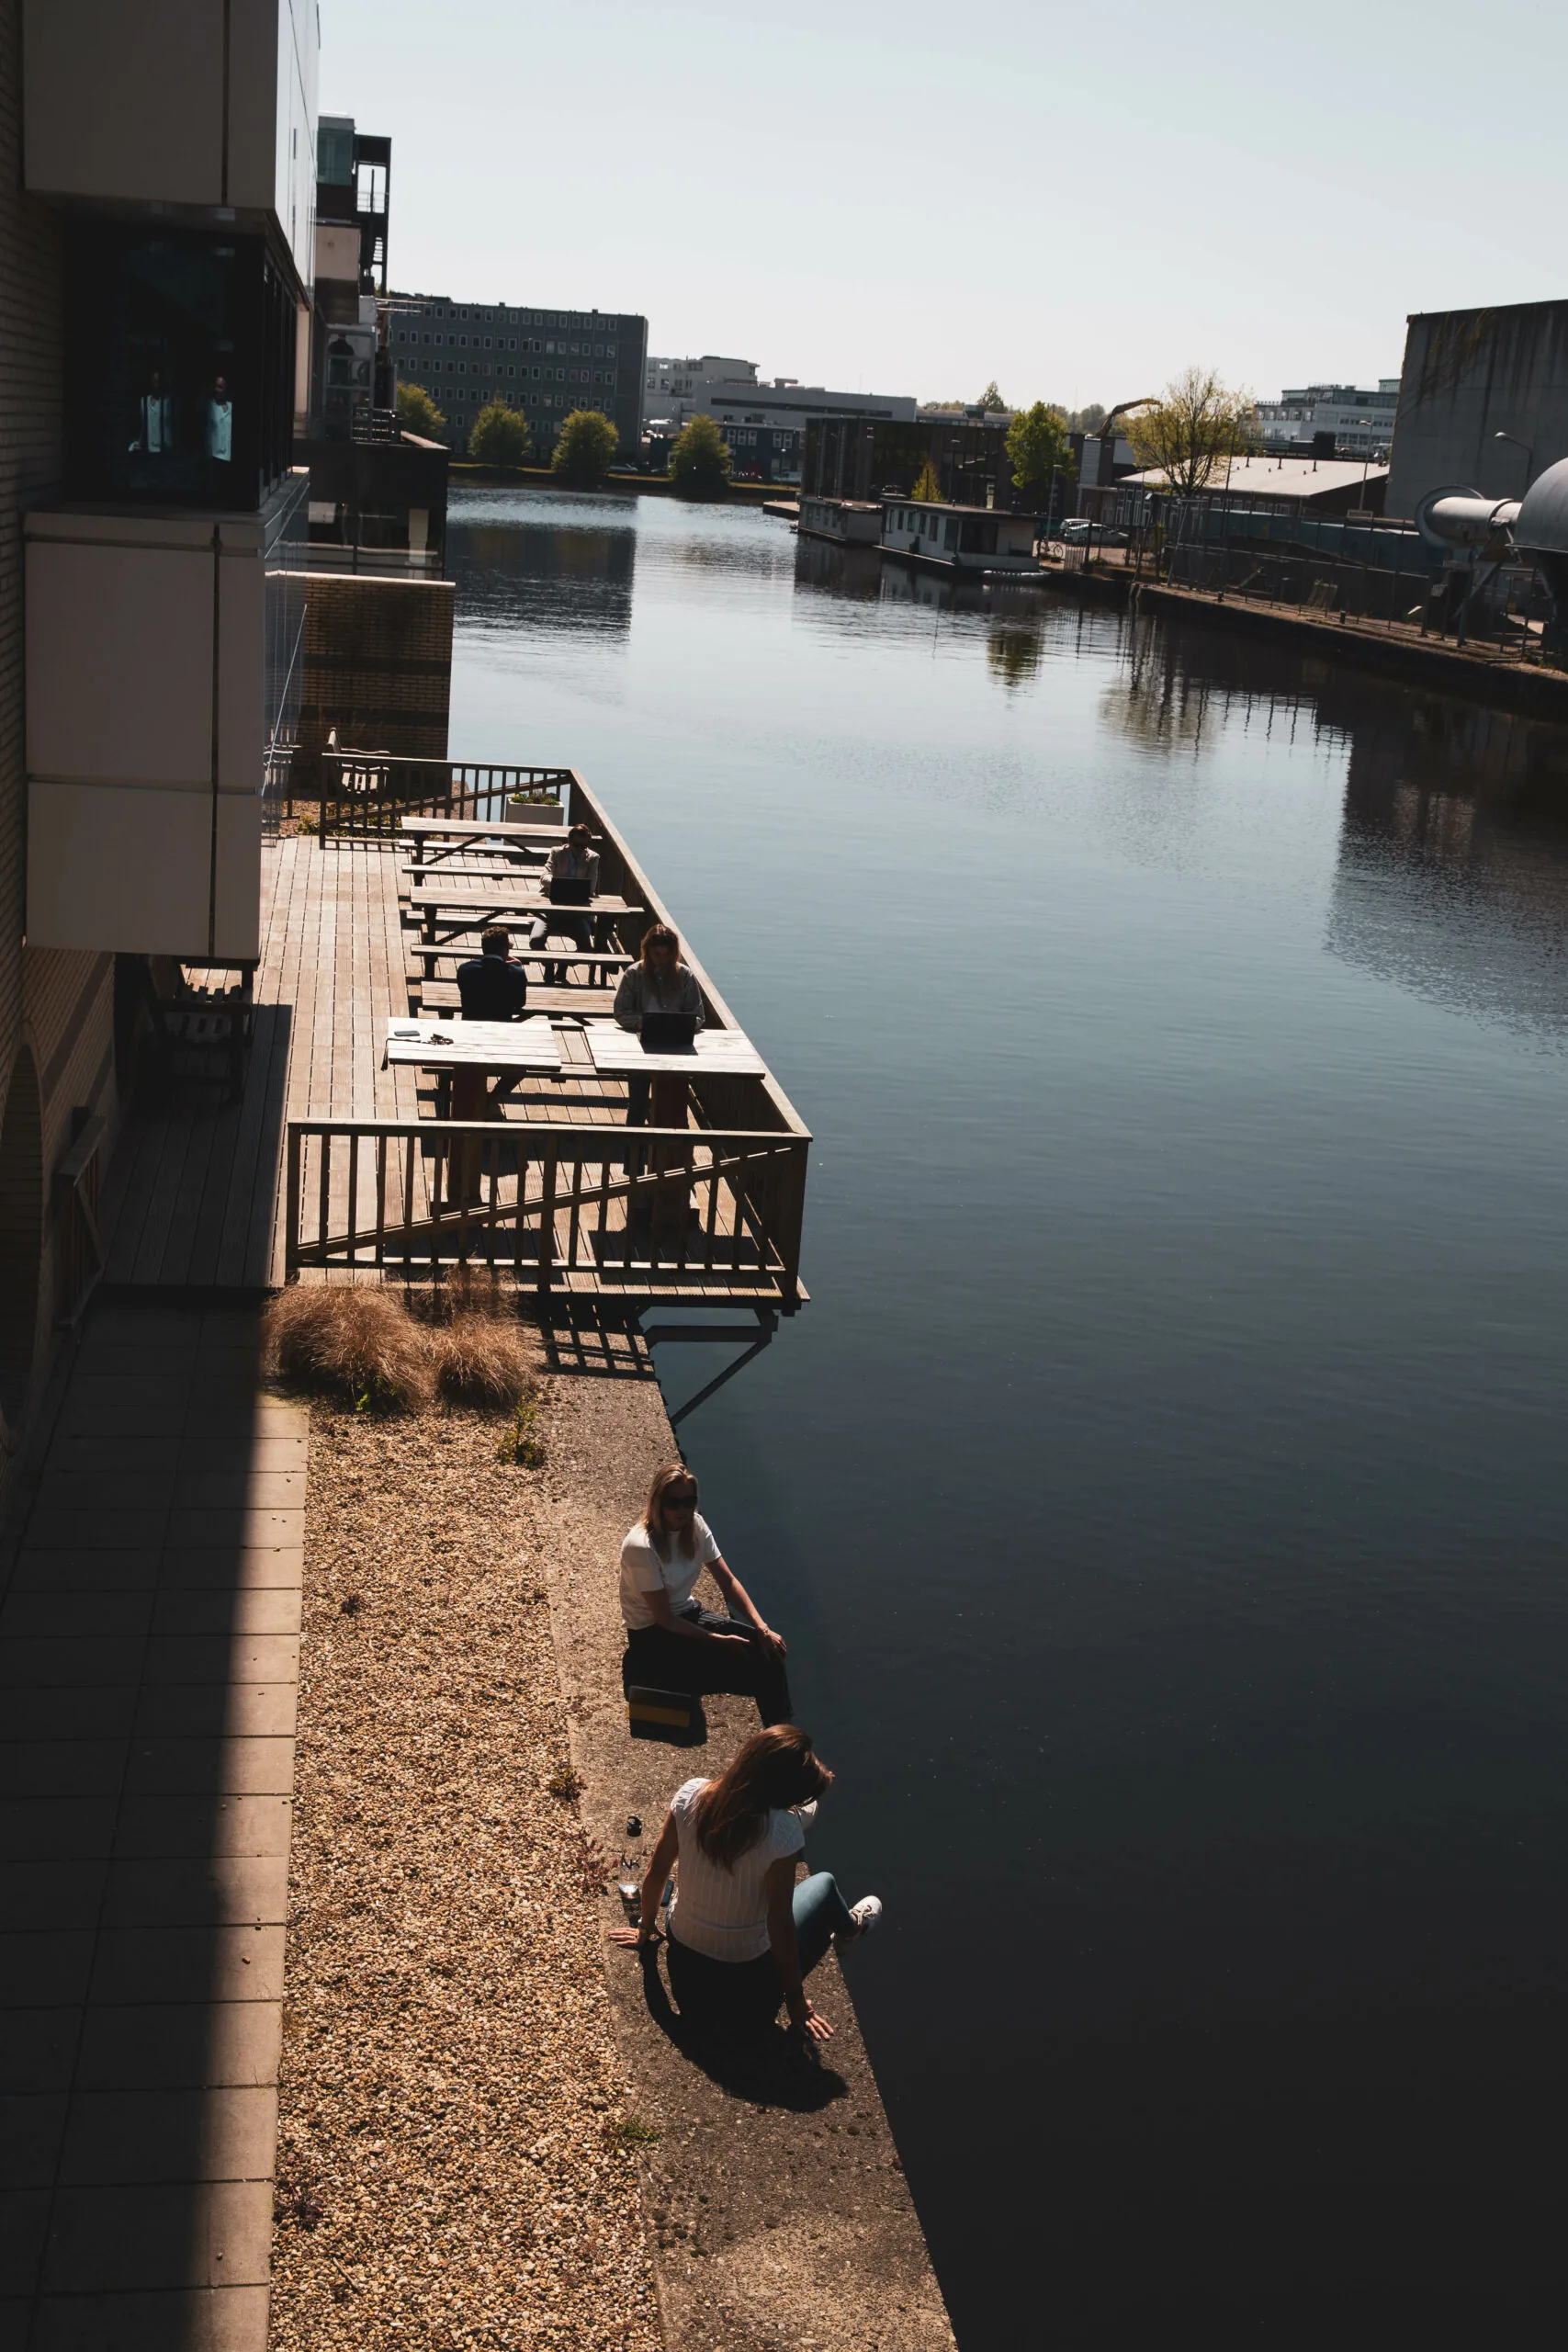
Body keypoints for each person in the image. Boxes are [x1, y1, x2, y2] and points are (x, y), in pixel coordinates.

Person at [610, 1725, 882, 2040]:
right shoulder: (784, 1833)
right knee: (824, 1883)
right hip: (745, 1971)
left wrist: (645, 1929)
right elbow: (779, 1922)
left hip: (684, 1951)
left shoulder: (689, 1796)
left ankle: (847, 1925)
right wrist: (796, 2001)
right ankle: (850, 1930)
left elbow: (657, 1871)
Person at [621, 1463, 793, 1728]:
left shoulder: (695, 1526)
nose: (682, 1510)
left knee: (768, 1652)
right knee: (754, 1667)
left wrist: (761, 1627)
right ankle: (780, 1747)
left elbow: (727, 1580)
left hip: (688, 1615)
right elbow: (665, 1618)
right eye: (673, 1502)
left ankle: (783, 1740)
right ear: (658, 1502)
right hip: (652, 1633)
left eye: (689, 1501)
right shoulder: (641, 1546)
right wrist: (719, 1641)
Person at [613, 925, 705, 1125]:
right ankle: (633, 1155)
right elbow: (620, 1011)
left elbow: (698, 1015)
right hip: (641, 1047)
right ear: (647, 950)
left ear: (673, 953)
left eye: (666, 954)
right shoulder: (634, 974)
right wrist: (643, 1024)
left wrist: (679, 1026)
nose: (661, 959)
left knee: (676, 1109)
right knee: (637, 1106)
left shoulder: (685, 976)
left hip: (676, 1050)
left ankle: (675, 1155)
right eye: (657, 954)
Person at [533, 820, 601, 982]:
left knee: (586, 948)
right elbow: (544, 875)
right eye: (576, 845)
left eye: (583, 846)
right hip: (551, 909)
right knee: (535, 941)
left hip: (577, 912)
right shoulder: (557, 852)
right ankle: (548, 965)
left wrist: (570, 887)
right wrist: (556, 884)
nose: (579, 850)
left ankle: (564, 964)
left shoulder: (593, 858)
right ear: (569, 841)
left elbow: (591, 886)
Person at [457, 925, 527, 1021]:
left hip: (471, 1025)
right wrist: (518, 967)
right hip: (501, 1027)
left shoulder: (465, 969)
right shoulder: (516, 973)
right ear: (505, 949)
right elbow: (520, 1003)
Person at [205, 376, 233, 462]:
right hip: (214, 456)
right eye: (216, 386)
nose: (217, 390)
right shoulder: (209, 406)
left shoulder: (231, 407)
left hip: (228, 456)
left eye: (220, 387)